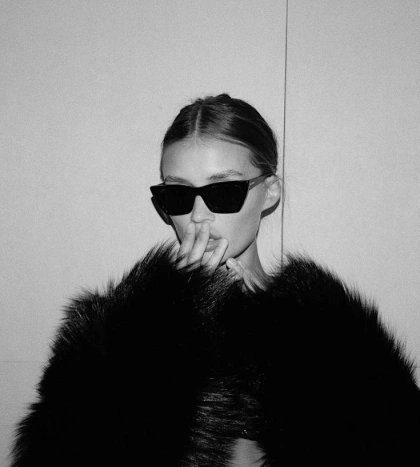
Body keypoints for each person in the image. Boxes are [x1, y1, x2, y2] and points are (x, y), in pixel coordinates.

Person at [10, 94, 420, 467]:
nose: (198, 216)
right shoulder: (113, 335)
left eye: (224, 191)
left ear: (270, 192)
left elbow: (393, 443)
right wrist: (158, 323)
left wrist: (291, 335)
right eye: (178, 195)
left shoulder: (331, 333)